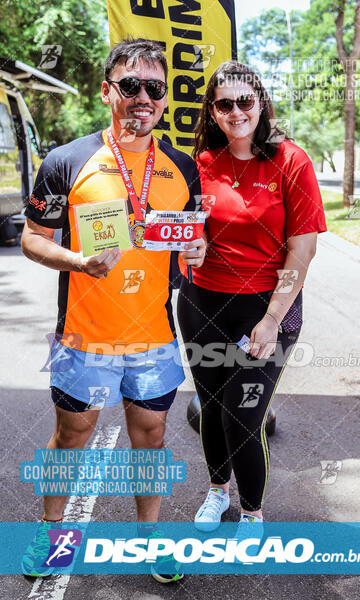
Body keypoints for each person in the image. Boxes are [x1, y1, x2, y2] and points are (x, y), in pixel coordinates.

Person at [20, 37, 206, 583]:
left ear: (166, 99)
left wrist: (196, 250)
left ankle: (151, 541)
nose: (143, 96)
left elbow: (191, 245)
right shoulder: (67, 160)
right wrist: (77, 261)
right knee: (72, 435)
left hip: (153, 336)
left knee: (150, 436)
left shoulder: (181, 168)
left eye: (155, 87)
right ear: (109, 92)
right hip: (85, 335)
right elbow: (33, 238)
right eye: (131, 85)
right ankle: (51, 534)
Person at [177, 61, 326, 531]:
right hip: (202, 304)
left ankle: (253, 512)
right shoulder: (199, 163)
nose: (236, 111)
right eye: (224, 104)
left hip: (266, 307)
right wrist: (191, 248)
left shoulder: (291, 160)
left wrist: (271, 319)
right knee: (213, 409)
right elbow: (187, 234)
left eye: (245, 100)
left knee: (243, 414)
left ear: (260, 102)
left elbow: (302, 249)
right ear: (213, 111)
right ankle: (217, 491)